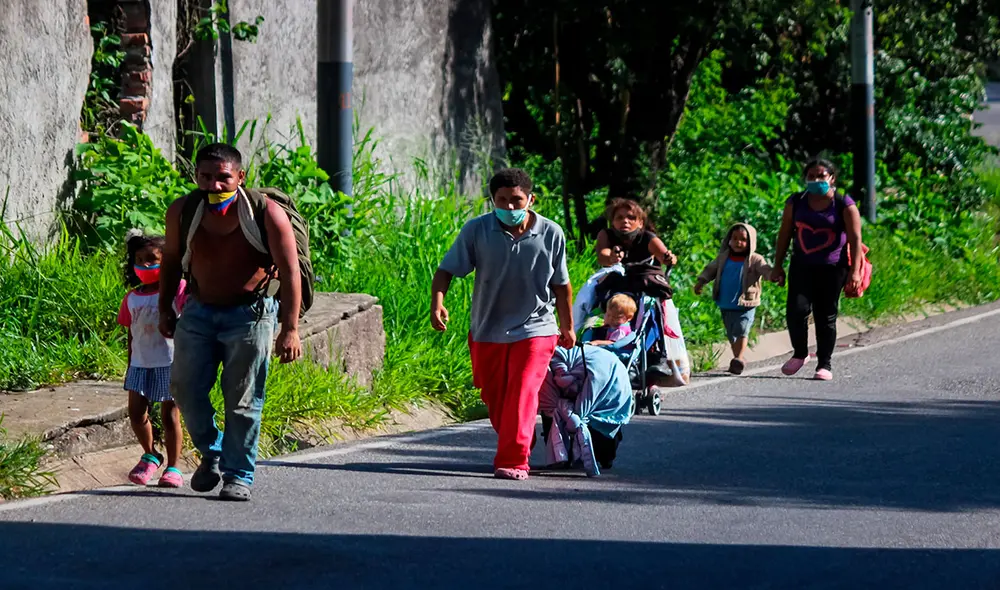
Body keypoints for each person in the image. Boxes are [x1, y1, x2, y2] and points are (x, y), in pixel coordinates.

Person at [159, 143, 303, 502]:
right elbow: (172, 260)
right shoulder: (184, 210)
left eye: (223, 177)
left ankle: (239, 475)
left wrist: (290, 328)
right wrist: (164, 307)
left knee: (242, 400)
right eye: (205, 177)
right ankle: (216, 449)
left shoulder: (266, 213)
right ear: (196, 177)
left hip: (250, 315)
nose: (214, 185)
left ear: (240, 176)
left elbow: (290, 270)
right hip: (197, 312)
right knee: (184, 389)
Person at [430, 168, 575, 481]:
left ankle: (514, 458)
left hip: (537, 328)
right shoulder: (477, 230)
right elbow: (446, 271)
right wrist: (437, 303)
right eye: (503, 200)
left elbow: (562, 285)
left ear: (530, 199)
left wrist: (567, 326)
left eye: (517, 200)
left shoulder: (551, 233)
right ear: (492, 201)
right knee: (496, 400)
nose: (510, 207)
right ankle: (518, 435)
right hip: (488, 329)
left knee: (523, 392)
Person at [772, 158, 865, 381]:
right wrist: (777, 266)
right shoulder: (796, 202)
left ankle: (825, 363)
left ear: (832, 178)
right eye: (811, 176)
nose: (816, 180)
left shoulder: (844, 204)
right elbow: (784, 234)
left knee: (826, 316)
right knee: (796, 310)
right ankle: (800, 353)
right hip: (801, 265)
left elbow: (855, 239)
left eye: (821, 176)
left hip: (833, 268)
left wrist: (855, 272)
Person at [118, 231, 187, 487]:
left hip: (170, 363)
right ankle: (150, 454)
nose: (145, 265)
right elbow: (131, 335)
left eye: (152, 259)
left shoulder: (178, 290)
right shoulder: (132, 298)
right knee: (136, 414)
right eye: (139, 259)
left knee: (170, 416)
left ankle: (174, 466)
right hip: (140, 365)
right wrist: (129, 364)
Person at [694, 223, 775, 375]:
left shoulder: (755, 259)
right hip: (726, 302)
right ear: (729, 240)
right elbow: (710, 269)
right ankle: (739, 358)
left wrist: (773, 275)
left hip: (746, 303)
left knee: (742, 330)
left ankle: (738, 358)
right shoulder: (723, 257)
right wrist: (701, 281)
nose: (738, 242)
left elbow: (765, 269)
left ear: (750, 242)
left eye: (743, 239)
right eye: (735, 238)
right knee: (732, 333)